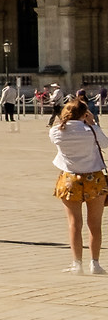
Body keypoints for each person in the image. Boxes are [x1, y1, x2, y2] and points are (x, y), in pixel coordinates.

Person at [48, 96, 106, 273]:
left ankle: (77, 263)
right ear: (85, 113)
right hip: (94, 178)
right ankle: (95, 263)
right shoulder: (91, 131)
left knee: (74, 223)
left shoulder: (56, 132)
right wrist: (93, 123)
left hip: (70, 179)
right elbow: (106, 144)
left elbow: (57, 133)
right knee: (95, 224)